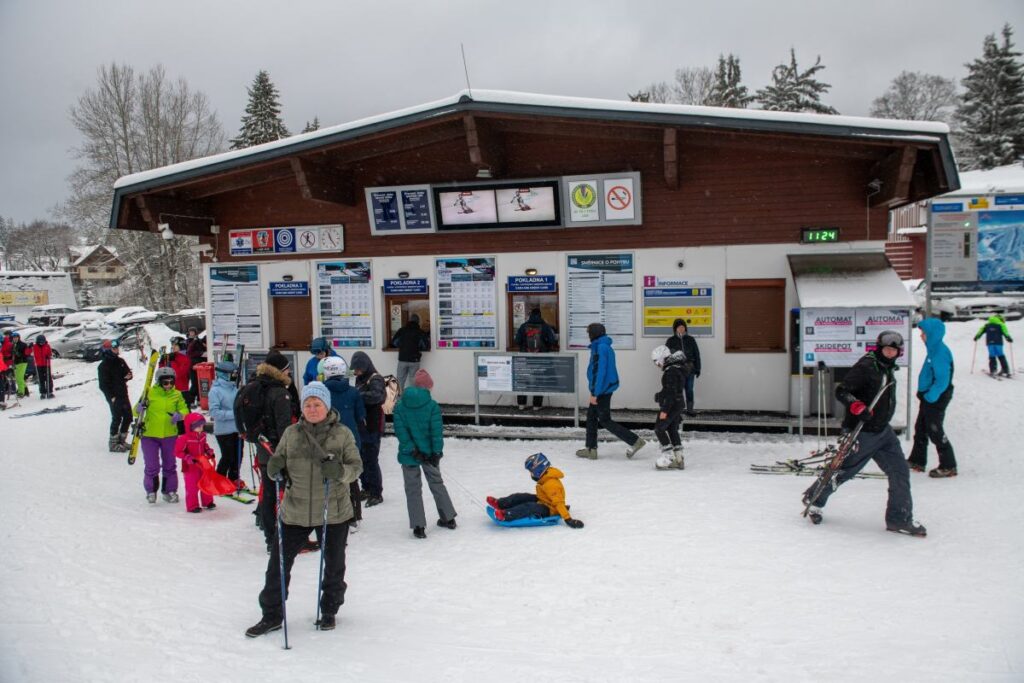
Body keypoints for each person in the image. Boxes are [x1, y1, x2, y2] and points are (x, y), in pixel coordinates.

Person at [245, 382, 362, 638]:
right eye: (308, 404)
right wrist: (275, 467)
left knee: (334, 565)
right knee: (278, 564)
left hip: (332, 511)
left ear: (326, 406)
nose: (312, 408)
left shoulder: (342, 434)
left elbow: (356, 467)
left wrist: (341, 472)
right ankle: (272, 615)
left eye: (317, 404)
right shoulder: (291, 433)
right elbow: (281, 462)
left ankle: (329, 610)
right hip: (295, 510)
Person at [802, 331, 926, 536]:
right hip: (862, 432)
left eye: (893, 350)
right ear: (878, 348)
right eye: (886, 349)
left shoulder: (886, 367)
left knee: (899, 471)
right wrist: (857, 406)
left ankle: (899, 519)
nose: (889, 353)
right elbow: (842, 391)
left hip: (883, 431)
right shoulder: (867, 366)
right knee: (844, 471)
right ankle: (814, 498)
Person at [235, 350, 296, 552]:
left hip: (262, 450)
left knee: (269, 494)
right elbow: (285, 428)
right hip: (278, 451)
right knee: (287, 494)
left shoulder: (256, 385)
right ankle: (285, 537)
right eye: (288, 369)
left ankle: (271, 538)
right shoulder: (279, 393)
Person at [393, 369, 456, 539]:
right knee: (437, 483)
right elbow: (436, 432)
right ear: (427, 387)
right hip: (429, 454)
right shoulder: (432, 406)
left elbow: (401, 432)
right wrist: (436, 452)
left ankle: (418, 526)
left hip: (409, 455)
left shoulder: (399, 407)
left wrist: (412, 449)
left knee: (413, 489)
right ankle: (448, 518)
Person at [576, 322, 645, 460]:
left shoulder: (600, 348)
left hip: (601, 390)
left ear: (593, 334)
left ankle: (635, 441)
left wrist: (595, 393)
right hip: (603, 388)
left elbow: (599, 372)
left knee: (605, 420)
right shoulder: (604, 346)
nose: (588, 336)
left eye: (589, 333)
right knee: (591, 417)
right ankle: (591, 449)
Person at [908, 317, 957, 478]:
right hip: (929, 396)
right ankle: (917, 460)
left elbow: (942, 379)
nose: (921, 336)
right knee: (921, 427)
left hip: (936, 397)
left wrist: (930, 396)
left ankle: (948, 465)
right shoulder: (934, 349)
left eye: (924, 333)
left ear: (933, 334)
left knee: (934, 429)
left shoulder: (940, 352)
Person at [321, 356, 366, 528]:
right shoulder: (353, 392)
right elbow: (361, 416)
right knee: (351, 477)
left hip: (326, 439)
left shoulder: (321, 391)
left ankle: (332, 514)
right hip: (351, 439)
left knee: (329, 476)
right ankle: (354, 516)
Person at [487, 453, 584, 528]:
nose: (531, 475)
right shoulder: (545, 477)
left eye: (531, 472)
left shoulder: (551, 484)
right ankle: (500, 503)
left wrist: (568, 520)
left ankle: (506, 515)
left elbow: (558, 503)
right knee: (521, 496)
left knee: (529, 507)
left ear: (539, 470)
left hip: (550, 509)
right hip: (544, 500)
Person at [140, 367, 189, 504]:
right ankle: (151, 490)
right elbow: (136, 412)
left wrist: (180, 415)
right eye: (165, 383)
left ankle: (169, 490)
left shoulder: (177, 394)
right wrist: (140, 408)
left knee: (170, 464)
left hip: (169, 435)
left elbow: (184, 409)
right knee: (152, 465)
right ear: (159, 382)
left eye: (171, 382)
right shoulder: (149, 393)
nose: (168, 385)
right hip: (150, 435)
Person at [350, 351, 386, 507]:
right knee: (361, 458)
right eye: (355, 369)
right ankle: (366, 487)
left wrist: (358, 396)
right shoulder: (359, 378)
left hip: (372, 425)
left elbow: (378, 396)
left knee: (371, 459)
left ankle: (376, 492)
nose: (356, 372)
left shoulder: (375, 378)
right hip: (361, 425)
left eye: (358, 369)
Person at [650, 345, 687, 470]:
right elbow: (672, 389)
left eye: (656, 361)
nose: (656, 364)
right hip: (678, 403)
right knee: (672, 429)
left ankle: (668, 457)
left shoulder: (670, 371)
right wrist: (660, 395)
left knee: (659, 428)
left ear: (662, 358)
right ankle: (679, 458)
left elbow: (671, 391)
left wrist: (665, 410)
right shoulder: (676, 368)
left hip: (672, 404)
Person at [514, 308, 557, 410]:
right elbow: (552, 340)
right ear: (540, 315)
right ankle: (536, 405)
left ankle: (521, 404)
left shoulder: (523, 326)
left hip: (525, 358)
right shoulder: (546, 327)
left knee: (524, 380)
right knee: (539, 380)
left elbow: (517, 340)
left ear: (530, 315)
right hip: (541, 358)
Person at [207, 361, 242, 487]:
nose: (235, 376)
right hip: (223, 430)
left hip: (237, 429)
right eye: (233, 374)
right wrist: (234, 414)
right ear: (224, 374)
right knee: (228, 456)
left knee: (238, 456)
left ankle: (234, 478)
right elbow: (214, 412)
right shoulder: (215, 391)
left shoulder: (234, 388)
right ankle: (218, 481)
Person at [175, 413, 218, 513]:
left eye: (202, 425)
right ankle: (192, 506)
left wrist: (208, 451)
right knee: (192, 486)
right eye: (198, 426)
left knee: (206, 482)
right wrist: (187, 457)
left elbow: (204, 446)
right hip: (190, 466)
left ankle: (208, 502)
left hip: (203, 463)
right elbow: (177, 452)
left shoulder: (202, 435)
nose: (201, 427)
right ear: (190, 426)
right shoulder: (184, 438)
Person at [97, 340, 134, 452]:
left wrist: (128, 376)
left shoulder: (120, 361)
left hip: (123, 393)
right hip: (114, 396)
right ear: (108, 350)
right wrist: (111, 396)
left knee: (128, 416)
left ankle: (122, 440)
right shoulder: (103, 366)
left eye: (117, 348)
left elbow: (127, 373)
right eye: (114, 348)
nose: (117, 350)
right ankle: (113, 443)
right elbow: (103, 385)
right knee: (117, 417)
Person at [665, 318, 701, 416]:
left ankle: (690, 409)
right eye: (679, 327)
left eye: (683, 327)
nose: (681, 329)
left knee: (689, 389)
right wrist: (668, 369)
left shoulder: (691, 340)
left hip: (690, 369)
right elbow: (667, 356)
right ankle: (677, 410)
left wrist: (698, 368)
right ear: (675, 329)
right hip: (677, 370)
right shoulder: (671, 341)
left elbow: (696, 354)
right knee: (678, 390)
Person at [390, 314, 430, 389]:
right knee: (413, 381)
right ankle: (413, 399)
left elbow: (394, 343)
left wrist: (403, 345)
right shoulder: (420, 332)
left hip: (402, 358)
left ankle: (399, 400)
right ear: (418, 322)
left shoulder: (402, 330)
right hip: (414, 360)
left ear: (409, 320)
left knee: (400, 380)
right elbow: (425, 346)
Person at [160, 337, 192, 404]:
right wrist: (162, 362)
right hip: (169, 390)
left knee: (183, 412)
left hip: (182, 392)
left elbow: (178, 373)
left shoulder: (185, 358)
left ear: (181, 346)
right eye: (172, 345)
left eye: (175, 345)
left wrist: (172, 361)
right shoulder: (172, 356)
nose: (173, 347)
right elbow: (162, 373)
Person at [185, 327, 207, 407]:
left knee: (199, 383)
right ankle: (190, 400)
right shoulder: (189, 341)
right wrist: (201, 353)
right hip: (192, 365)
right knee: (195, 383)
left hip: (200, 365)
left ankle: (199, 399)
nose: (192, 333)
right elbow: (189, 352)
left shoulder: (198, 341)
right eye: (190, 332)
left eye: (193, 332)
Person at [31, 335, 54, 399]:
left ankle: (50, 391)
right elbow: (28, 352)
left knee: (48, 378)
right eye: (40, 342)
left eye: (43, 342)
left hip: (46, 364)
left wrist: (48, 356)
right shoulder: (34, 347)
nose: (42, 343)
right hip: (38, 365)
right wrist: (28, 347)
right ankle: (42, 392)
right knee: (41, 379)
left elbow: (50, 354)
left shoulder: (47, 346)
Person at [11, 331, 29, 398]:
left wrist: (18, 353)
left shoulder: (22, 344)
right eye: (14, 338)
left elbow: (25, 354)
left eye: (16, 337)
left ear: (19, 338)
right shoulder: (13, 345)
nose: (15, 339)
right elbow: (12, 355)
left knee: (19, 378)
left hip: (22, 362)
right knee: (18, 377)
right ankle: (25, 390)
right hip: (16, 363)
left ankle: (21, 392)